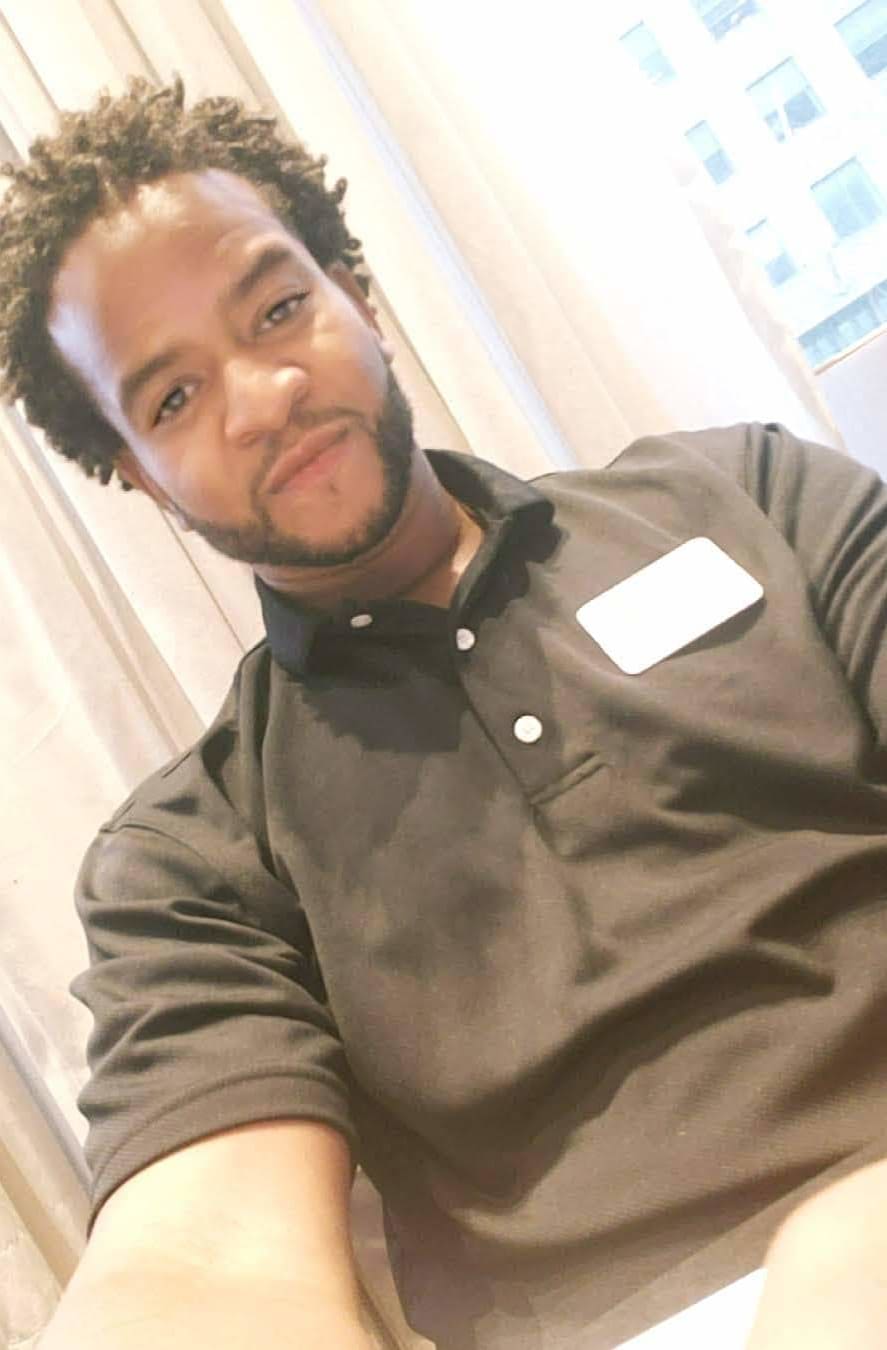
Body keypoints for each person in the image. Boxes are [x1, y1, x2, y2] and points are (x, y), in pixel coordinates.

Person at [3, 78, 887, 1350]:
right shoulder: (191, 857)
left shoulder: (747, 498)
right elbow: (204, 1260)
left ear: (357, 294)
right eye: (173, 400)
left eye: (278, 308)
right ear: (137, 475)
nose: (260, 397)